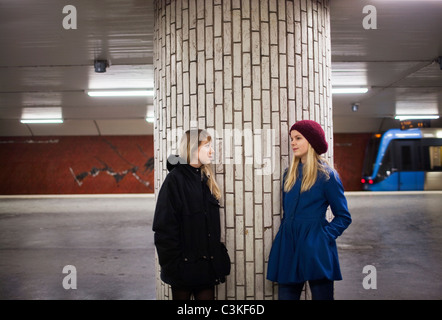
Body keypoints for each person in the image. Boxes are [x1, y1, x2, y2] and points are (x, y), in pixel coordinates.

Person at [267, 120, 352, 300]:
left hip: (316, 245)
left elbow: (343, 217)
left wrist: (323, 237)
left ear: (312, 141)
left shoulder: (327, 175)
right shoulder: (288, 174)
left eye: (298, 138)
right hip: (289, 242)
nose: (292, 143)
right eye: (291, 138)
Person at [152, 129, 231, 300]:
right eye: (207, 146)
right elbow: (163, 227)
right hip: (183, 268)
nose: (212, 150)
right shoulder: (175, 180)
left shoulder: (205, 179)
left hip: (206, 268)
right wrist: (172, 264)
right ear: (193, 148)